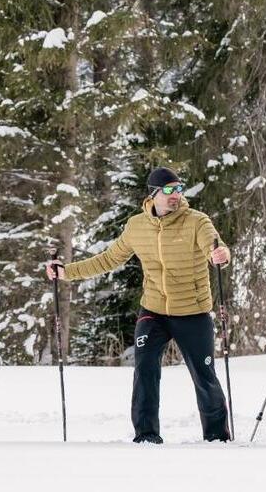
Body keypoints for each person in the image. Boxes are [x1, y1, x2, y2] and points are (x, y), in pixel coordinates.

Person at [46, 167, 231, 444]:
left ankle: (217, 437)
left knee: (204, 376)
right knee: (144, 367)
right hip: (153, 310)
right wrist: (66, 272)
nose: (175, 195)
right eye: (169, 190)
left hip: (192, 311)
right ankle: (146, 435)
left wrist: (221, 255)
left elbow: (215, 247)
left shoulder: (197, 221)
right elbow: (108, 259)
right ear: (153, 194)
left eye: (179, 189)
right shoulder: (137, 226)